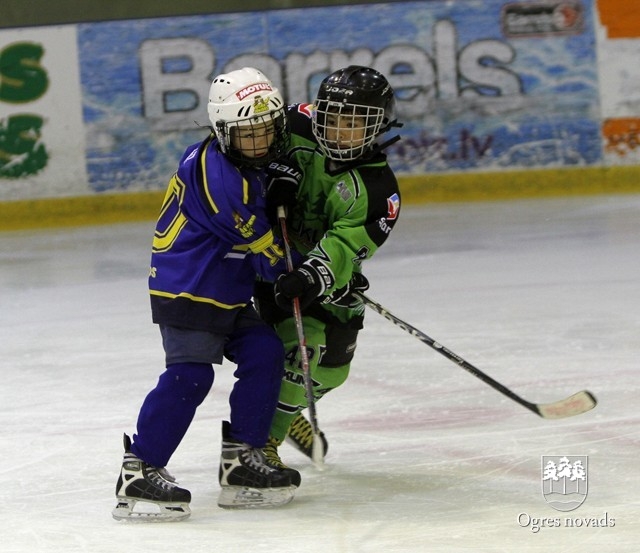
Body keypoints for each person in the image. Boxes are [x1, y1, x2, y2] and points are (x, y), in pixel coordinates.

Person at [112, 67, 302, 521]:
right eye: (246, 133)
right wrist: (302, 274)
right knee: (192, 376)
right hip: (188, 287)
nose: (258, 141)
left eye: (266, 130)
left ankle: (242, 462)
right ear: (222, 131)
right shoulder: (214, 174)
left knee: (264, 353)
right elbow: (263, 246)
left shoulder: (249, 167)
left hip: (227, 288)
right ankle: (139, 467)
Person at [254, 66, 402, 470]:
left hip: (312, 272)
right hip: (267, 258)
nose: (339, 132)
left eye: (354, 124)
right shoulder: (292, 124)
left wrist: (318, 274)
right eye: (333, 120)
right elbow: (239, 149)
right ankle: (261, 439)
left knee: (333, 371)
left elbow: (345, 243)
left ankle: (284, 411)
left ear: (377, 126)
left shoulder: (378, 191)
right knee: (301, 352)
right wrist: (274, 170)